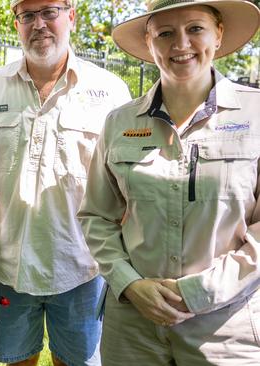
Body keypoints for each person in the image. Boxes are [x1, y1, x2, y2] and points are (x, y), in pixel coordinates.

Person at [77, 0, 260, 364]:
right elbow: (96, 216)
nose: (181, 44)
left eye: (195, 28)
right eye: (165, 33)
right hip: (133, 327)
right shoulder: (120, 123)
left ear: (219, 33)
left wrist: (202, 291)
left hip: (225, 328)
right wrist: (129, 283)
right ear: (149, 42)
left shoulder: (256, 115)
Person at [0, 0, 131, 365]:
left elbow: (128, 186)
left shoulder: (109, 91)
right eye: (27, 16)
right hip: (7, 264)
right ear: (17, 23)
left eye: (49, 12)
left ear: (71, 17)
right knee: (17, 359)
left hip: (83, 265)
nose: (39, 25)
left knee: (75, 361)